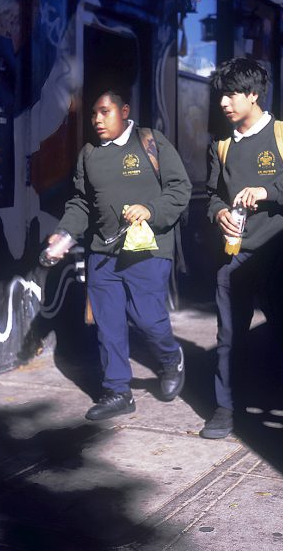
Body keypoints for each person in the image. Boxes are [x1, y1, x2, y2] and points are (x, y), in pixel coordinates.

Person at [44, 88, 192, 420]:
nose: (96, 119)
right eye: (93, 114)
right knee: (108, 324)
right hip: (103, 251)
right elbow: (81, 202)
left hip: (146, 248)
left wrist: (150, 210)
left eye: (104, 112)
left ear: (124, 111)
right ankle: (117, 391)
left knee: (146, 318)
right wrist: (66, 232)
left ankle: (170, 358)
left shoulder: (150, 142)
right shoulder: (89, 154)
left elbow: (180, 188)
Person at [201, 57, 283, 439]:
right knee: (228, 335)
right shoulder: (220, 146)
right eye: (220, 95)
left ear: (253, 95)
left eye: (232, 94)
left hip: (278, 253)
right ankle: (225, 408)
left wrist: (268, 192)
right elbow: (210, 196)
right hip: (234, 253)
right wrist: (219, 212)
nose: (224, 102)